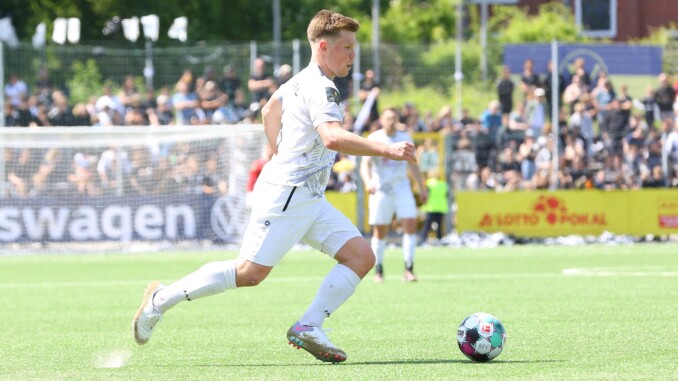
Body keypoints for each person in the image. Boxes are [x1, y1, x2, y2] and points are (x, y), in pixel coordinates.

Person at [132, 9, 417, 364]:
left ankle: (309, 326)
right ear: (324, 46)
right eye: (346, 47)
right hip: (287, 195)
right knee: (249, 274)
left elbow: (270, 111)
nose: (352, 55)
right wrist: (387, 149)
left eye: (354, 47)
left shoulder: (299, 80)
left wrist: (281, 151)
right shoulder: (321, 86)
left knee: (361, 256)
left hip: (307, 197)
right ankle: (160, 299)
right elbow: (330, 137)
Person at [359, 107, 428, 283]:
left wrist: (422, 186)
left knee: (410, 224)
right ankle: (379, 269)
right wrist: (368, 182)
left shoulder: (405, 138)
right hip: (381, 189)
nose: (391, 121)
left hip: (401, 188)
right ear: (381, 120)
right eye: (388, 118)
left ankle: (409, 268)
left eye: (394, 118)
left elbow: (413, 164)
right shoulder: (375, 138)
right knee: (380, 230)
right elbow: (364, 164)